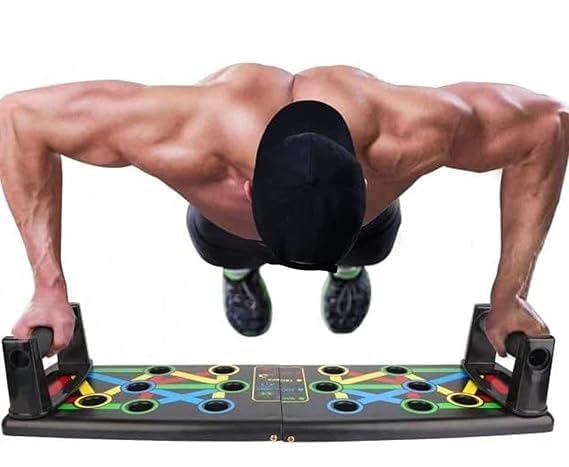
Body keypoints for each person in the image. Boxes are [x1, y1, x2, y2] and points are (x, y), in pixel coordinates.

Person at [1, 64, 566, 356]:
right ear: (247, 187)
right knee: (224, 246)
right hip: (231, 229)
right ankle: (240, 272)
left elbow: (548, 126)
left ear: (364, 176)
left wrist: (510, 295)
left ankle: (347, 265)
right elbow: (19, 120)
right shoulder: (180, 134)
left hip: (359, 227)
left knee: (369, 243)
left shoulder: (411, 132)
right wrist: (47, 289)